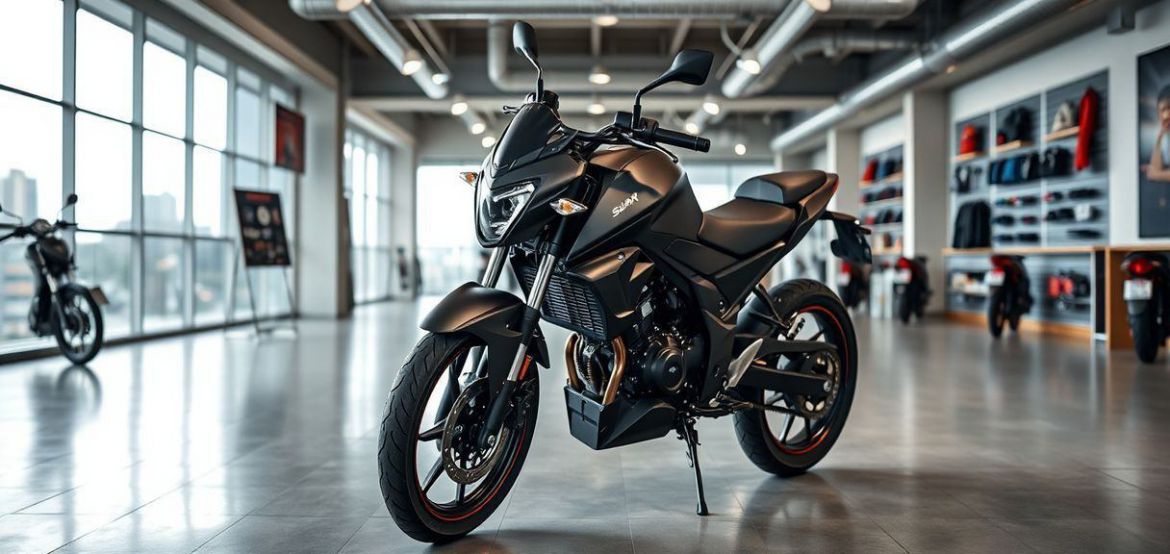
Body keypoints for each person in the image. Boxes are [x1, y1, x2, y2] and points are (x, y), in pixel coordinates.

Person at [1145, 85, 1170, 183]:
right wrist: (1160, 136)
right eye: (1162, 111)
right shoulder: (1165, 136)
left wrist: (1157, 175)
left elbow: (1153, 174)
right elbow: (1155, 168)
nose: (1165, 116)